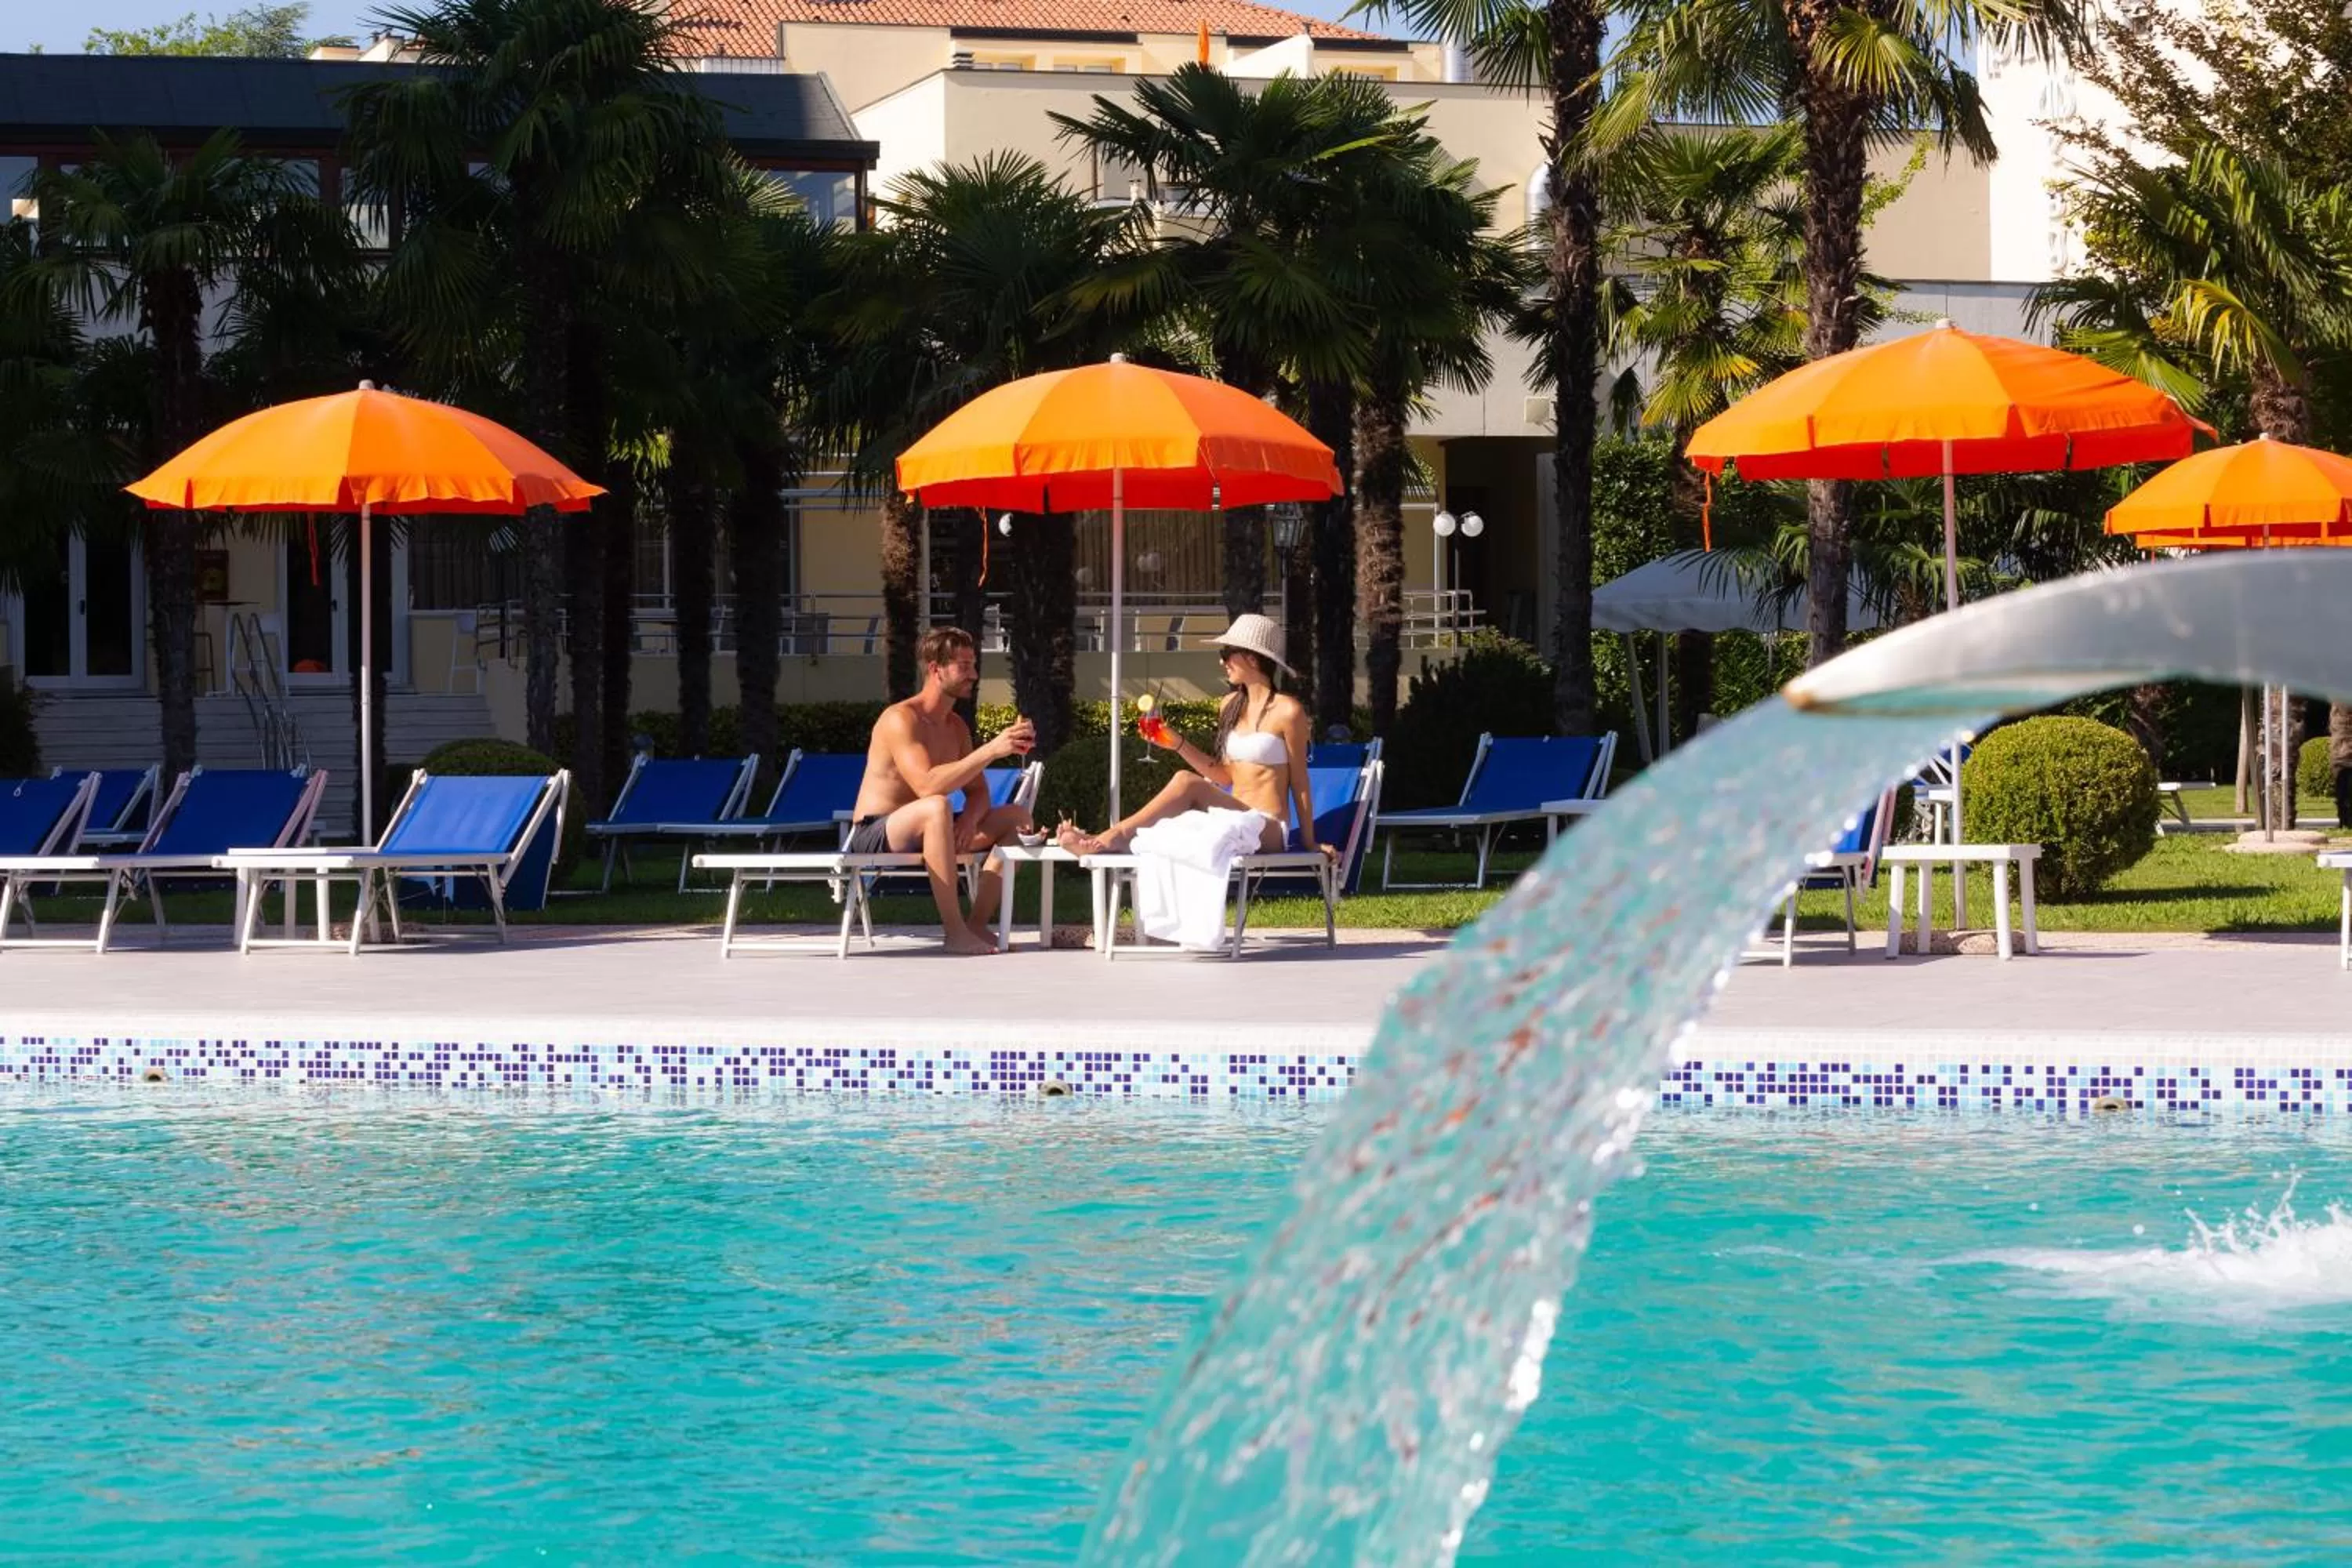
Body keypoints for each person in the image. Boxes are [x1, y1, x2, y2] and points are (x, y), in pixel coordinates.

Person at [1055, 613, 1331, 862]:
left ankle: (1109, 838)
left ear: (1253, 658)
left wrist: (1310, 843)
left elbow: (1300, 782)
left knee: (1185, 781)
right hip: (1231, 820)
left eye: (1227, 652)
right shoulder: (1230, 705)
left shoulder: (1288, 711)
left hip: (1268, 829)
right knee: (1173, 825)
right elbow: (1225, 776)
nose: (1221, 661)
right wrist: (1176, 743)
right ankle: (1110, 840)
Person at [849, 626, 1036, 955]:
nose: (973, 675)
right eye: (964, 666)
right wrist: (991, 750)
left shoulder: (956, 728)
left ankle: (977, 924)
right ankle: (955, 932)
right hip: (878, 828)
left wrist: (969, 822)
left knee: (1017, 818)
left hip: (934, 826)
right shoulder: (900, 719)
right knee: (936, 805)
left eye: (973, 665)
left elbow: (978, 793)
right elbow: (925, 785)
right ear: (936, 669)